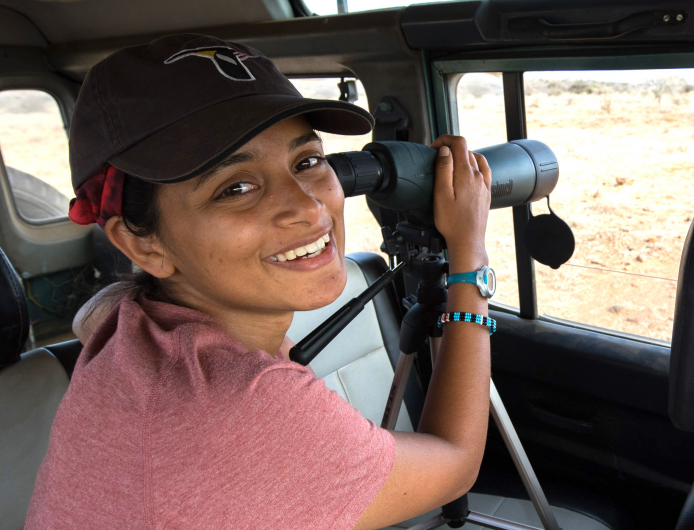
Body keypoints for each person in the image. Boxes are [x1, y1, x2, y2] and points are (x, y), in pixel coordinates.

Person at [26, 34, 493, 529]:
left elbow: (90, 312)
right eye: (237, 188)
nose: (310, 208)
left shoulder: (122, 323)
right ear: (143, 246)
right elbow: (455, 463)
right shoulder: (242, 412)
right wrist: (470, 255)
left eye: (308, 162)